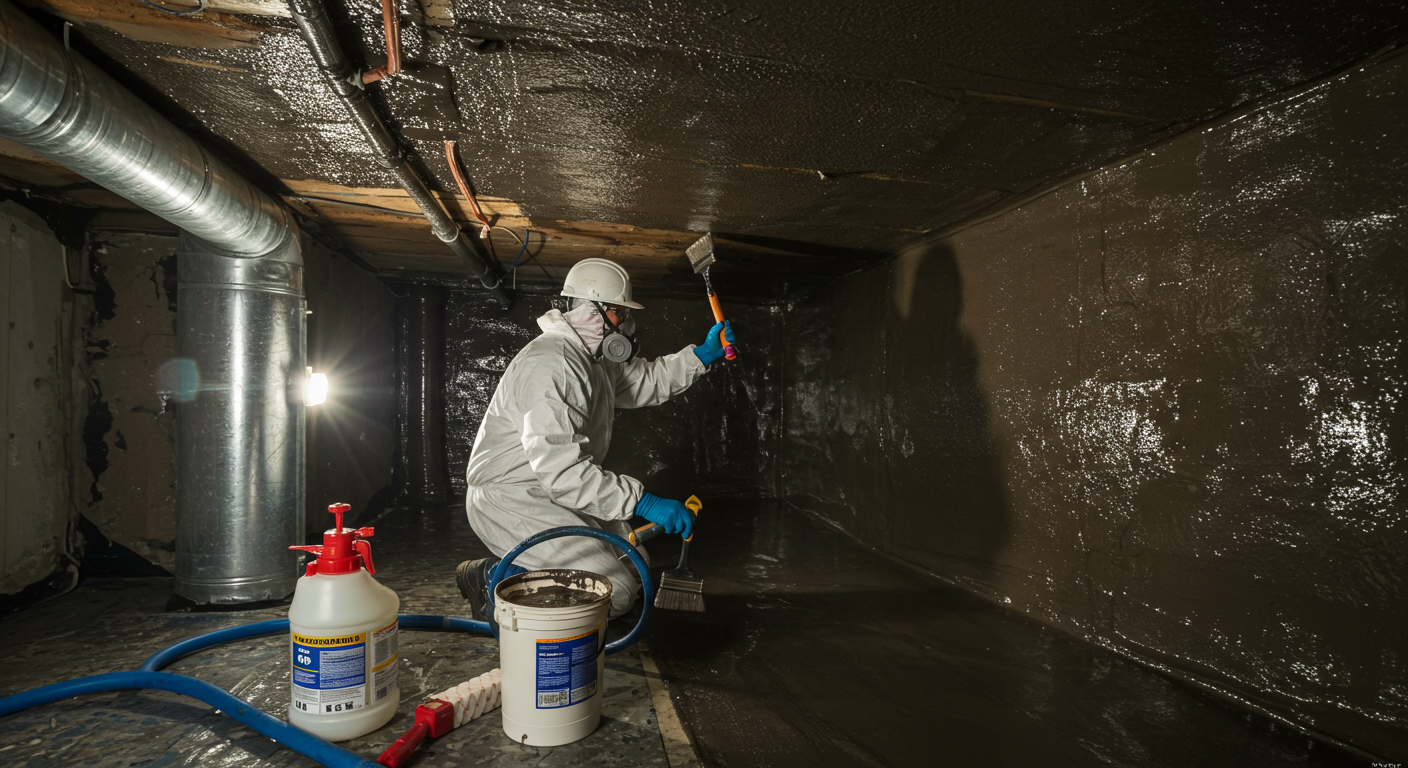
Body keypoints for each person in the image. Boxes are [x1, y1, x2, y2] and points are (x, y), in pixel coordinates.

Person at [456, 257, 735, 621]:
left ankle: (521, 573)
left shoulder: (593, 358)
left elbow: (642, 383)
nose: (627, 323)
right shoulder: (551, 364)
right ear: (595, 311)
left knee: (633, 569)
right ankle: (496, 577)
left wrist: (702, 355)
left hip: (553, 489)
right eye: (620, 313)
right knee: (614, 593)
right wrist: (644, 503)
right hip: (513, 497)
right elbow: (564, 473)